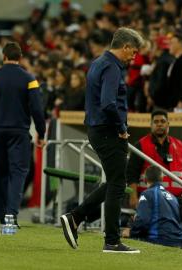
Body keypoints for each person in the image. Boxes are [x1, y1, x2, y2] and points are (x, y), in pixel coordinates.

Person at [60, 27, 143, 253]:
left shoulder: (98, 62)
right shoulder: (112, 67)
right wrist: (121, 127)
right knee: (118, 184)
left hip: (97, 128)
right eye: (133, 52)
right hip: (108, 130)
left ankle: (75, 217)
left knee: (114, 181)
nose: (134, 58)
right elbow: (108, 102)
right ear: (124, 46)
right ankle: (112, 241)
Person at [0, 42, 46, 225]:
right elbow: (37, 110)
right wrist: (41, 132)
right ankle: (11, 216)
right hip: (19, 132)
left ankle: (2, 216)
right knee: (18, 173)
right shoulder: (30, 79)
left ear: (4, 56)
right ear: (20, 57)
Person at [126, 110, 182, 230]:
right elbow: (131, 174)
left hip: (176, 201)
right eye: (156, 122)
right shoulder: (141, 145)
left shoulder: (179, 146)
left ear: (168, 124)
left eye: (163, 121)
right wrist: (133, 196)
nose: (159, 124)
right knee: (152, 236)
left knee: (180, 233)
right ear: (151, 125)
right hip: (151, 201)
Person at [124, 166, 182, 248]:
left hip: (160, 240)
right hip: (179, 241)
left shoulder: (147, 194)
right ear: (162, 179)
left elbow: (143, 221)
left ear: (145, 180)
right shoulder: (173, 197)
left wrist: (131, 231)